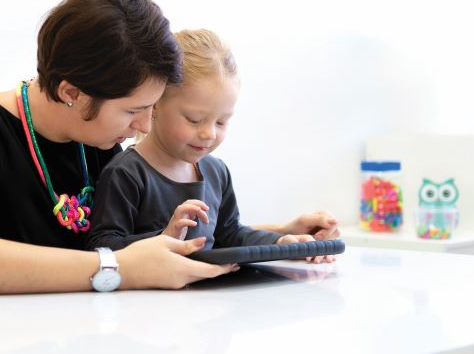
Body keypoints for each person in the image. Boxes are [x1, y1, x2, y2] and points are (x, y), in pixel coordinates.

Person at [0, 0, 339, 297]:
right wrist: (113, 268)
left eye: (151, 108)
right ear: (72, 92)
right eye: (133, 111)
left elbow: (157, 241)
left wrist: (281, 234)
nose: (145, 128)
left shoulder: (96, 140)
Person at [86, 29, 338, 264]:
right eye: (194, 120)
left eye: (221, 122)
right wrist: (164, 236)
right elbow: (100, 247)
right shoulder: (125, 173)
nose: (208, 133)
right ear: (156, 105)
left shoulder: (217, 172)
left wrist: (281, 242)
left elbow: (230, 234)